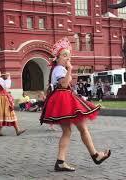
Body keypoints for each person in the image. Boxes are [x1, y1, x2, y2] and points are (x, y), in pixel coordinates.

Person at [40, 37, 111, 172]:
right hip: (64, 100)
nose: (67, 58)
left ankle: (65, 160)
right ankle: (93, 156)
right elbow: (65, 84)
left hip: (65, 99)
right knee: (76, 130)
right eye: (64, 55)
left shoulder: (59, 68)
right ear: (57, 58)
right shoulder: (59, 69)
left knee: (73, 130)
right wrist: (70, 69)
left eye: (69, 55)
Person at [0, 64, 26, 136]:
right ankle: (17, 130)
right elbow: (7, 86)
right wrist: (9, 78)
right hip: (3, 98)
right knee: (10, 112)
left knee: (0, 114)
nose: (0, 72)